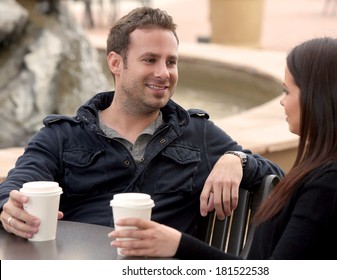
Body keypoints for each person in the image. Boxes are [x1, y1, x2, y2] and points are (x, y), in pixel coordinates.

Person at [0, 7, 283, 240]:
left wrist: (237, 159)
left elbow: (279, 180)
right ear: (115, 63)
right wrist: (9, 208)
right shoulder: (62, 136)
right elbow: (13, 188)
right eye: (150, 60)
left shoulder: (198, 134)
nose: (163, 73)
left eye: (171, 62)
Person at [108, 37, 337, 260]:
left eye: (287, 91)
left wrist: (178, 244)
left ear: (319, 99)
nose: (282, 102)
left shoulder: (335, 184)